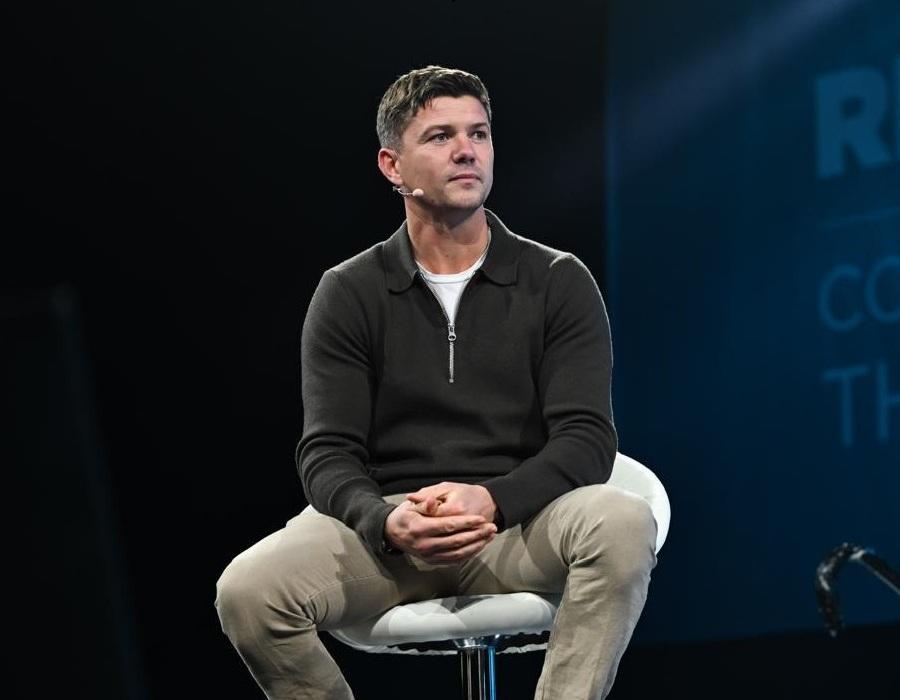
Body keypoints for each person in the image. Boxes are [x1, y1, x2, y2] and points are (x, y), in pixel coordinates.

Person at [215, 65, 657, 700]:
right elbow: (326, 452)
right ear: (392, 166)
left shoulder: (557, 280)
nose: (466, 150)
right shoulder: (348, 292)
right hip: (393, 534)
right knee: (248, 592)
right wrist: (383, 521)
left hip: (518, 523)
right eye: (441, 136)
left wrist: (493, 499)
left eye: (478, 133)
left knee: (621, 522)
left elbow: (587, 438)